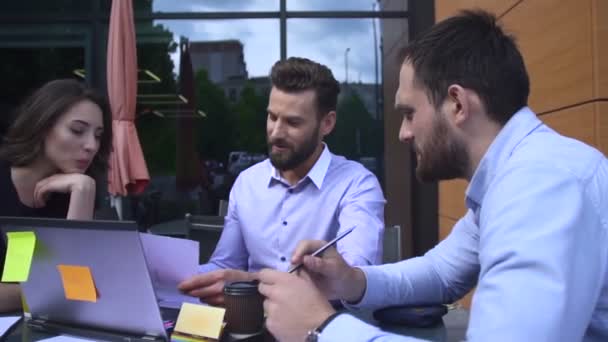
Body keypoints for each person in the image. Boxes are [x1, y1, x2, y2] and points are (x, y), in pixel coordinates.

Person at [256, 10, 608, 342]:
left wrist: (321, 329)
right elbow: (441, 272)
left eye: (409, 113)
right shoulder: (514, 178)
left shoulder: (539, 186)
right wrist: (351, 281)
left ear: (457, 104)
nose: (403, 134)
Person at [179, 57, 386, 305]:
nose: (276, 132)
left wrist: (251, 283)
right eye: (272, 117)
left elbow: (350, 281)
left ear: (327, 124)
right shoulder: (247, 183)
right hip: (249, 326)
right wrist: (172, 275)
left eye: (293, 122)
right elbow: (226, 265)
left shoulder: (358, 185)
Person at [0, 79, 112, 312]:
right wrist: (52, 290)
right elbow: (68, 290)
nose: (91, 145)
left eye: (98, 135)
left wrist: (83, 192)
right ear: (42, 127)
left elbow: (78, 289)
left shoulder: (74, 189)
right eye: (77, 130)